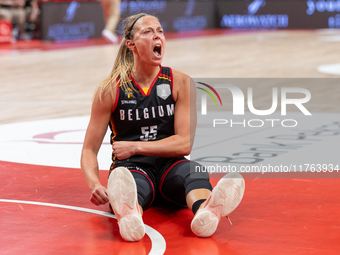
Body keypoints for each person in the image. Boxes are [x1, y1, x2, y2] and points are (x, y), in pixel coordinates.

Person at [81, 13, 245, 242]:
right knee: (130, 184)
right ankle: (130, 217)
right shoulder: (111, 89)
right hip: (133, 167)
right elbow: (89, 149)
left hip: (170, 164)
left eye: (160, 31)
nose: (156, 35)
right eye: (148, 32)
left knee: (194, 171)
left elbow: (184, 143)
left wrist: (135, 146)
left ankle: (206, 212)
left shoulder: (180, 82)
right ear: (132, 45)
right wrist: (94, 184)